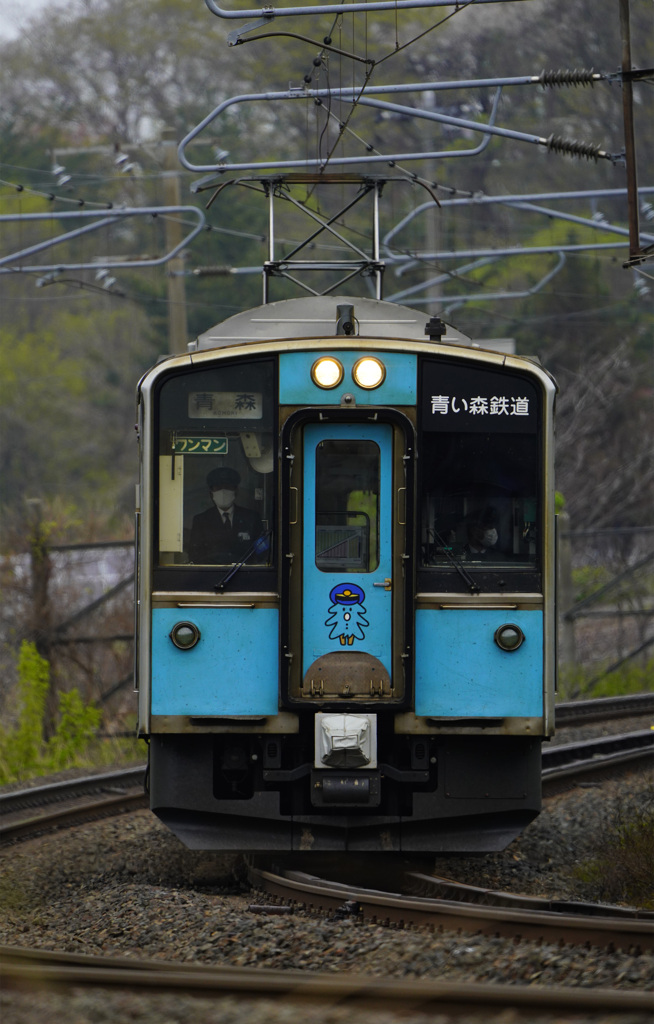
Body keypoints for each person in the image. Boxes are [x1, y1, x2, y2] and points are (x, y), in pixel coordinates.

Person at [188, 466, 263, 564]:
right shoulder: (201, 520)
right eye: (218, 488)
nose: (223, 492)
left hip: (244, 575)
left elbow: (262, 551)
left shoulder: (252, 518)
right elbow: (195, 555)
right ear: (211, 493)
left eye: (228, 487)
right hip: (211, 576)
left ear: (236, 491)